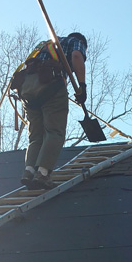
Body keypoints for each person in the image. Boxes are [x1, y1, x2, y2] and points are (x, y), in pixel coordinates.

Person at [14, 32, 88, 190]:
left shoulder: (44, 45)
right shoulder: (75, 42)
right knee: (54, 131)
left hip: (27, 89)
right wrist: (82, 86)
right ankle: (43, 173)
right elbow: (76, 56)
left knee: (36, 136)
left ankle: (29, 171)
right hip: (50, 87)